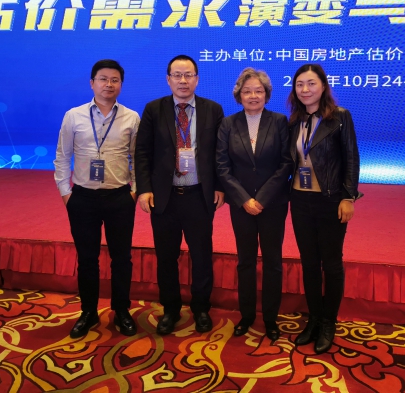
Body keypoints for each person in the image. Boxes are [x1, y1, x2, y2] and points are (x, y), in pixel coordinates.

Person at [134, 54, 225, 335]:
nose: (183, 80)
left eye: (188, 75)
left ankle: (201, 309)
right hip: (165, 197)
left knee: (202, 256)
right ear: (168, 79)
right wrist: (144, 189)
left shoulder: (213, 110)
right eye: (177, 75)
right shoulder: (154, 109)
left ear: (197, 79)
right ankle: (170, 310)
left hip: (199, 196)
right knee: (166, 257)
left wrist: (220, 186)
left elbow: (221, 154)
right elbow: (142, 152)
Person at [53, 59, 140, 339]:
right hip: (83, 198)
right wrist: (66, 192)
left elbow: (137, 158)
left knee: (121, 258)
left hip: (119, 197)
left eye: (115, 80)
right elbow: (62, 156)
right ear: (92, 83)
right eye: (103, 79)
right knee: (87, 259)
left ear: (121, 85)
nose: (108, 84)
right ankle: (88, 312)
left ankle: (121, 310)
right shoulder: (74, 116)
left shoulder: (131, 117)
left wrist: (134, 190)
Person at [287, 63, 362, 354]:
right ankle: (314, 319)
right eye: (300, 84)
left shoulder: (340, 117)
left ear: (323, 86)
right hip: (300, 200)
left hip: (330, 200)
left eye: (311, 83)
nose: (305, 89)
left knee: (330, 263)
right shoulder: (294, 121)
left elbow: (351, 159)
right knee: (308, 263)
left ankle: (329, 322)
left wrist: (348, 197)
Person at [216, 68, 292, 341]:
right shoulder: (228, 124)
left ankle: (270, 318)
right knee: (245, 261)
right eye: (247, 91)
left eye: (258, 91)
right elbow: (222, 166)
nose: (253, 96)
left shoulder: (280, 121)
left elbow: (286, 163)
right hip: (241, 206)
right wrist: (243, 199)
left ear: (267, 95)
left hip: (273, 204)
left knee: (273, 262)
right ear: (239, 95)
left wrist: (262, 198)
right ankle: (246, 315)